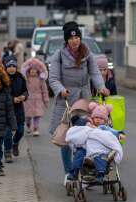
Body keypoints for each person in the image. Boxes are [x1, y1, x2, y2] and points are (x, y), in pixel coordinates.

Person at [48, 21, 109, 186]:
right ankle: (69, 172)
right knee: (66, 139)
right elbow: (52, 78)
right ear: (67, 40)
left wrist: (101, 87)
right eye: (71, 38)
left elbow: (95, 73)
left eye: (77, 37)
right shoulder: (59, 55)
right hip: (66, 99)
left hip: (84, 98)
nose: (75, 41)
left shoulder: (86, 53)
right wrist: (60, 89)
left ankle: (84, 171)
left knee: (86, 135)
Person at [3, 56, 28, 162]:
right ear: (5, 67)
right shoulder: (2, 79)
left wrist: (24, 96)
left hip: (19, 110)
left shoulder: (20, 77)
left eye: (13, 66)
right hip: (7, 110)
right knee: (7, 132)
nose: (12, 68)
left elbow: (26, 91)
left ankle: (15, 143)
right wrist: (12, 99)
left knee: (20, 131)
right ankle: (7, 152)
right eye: (9, 66)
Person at [21, 58, 49, 136]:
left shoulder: (41, 80)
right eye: (31, 70)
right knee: (28, 116)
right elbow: (22, 89)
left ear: (38, 71)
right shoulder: (26, 80)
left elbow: (44, 90)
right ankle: (28, 125)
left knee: (37, 115)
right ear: (28, 71)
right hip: (28, 100)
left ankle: (36, 128)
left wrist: (45, 99)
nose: (33, 71)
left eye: (35, 70)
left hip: (38, 100)